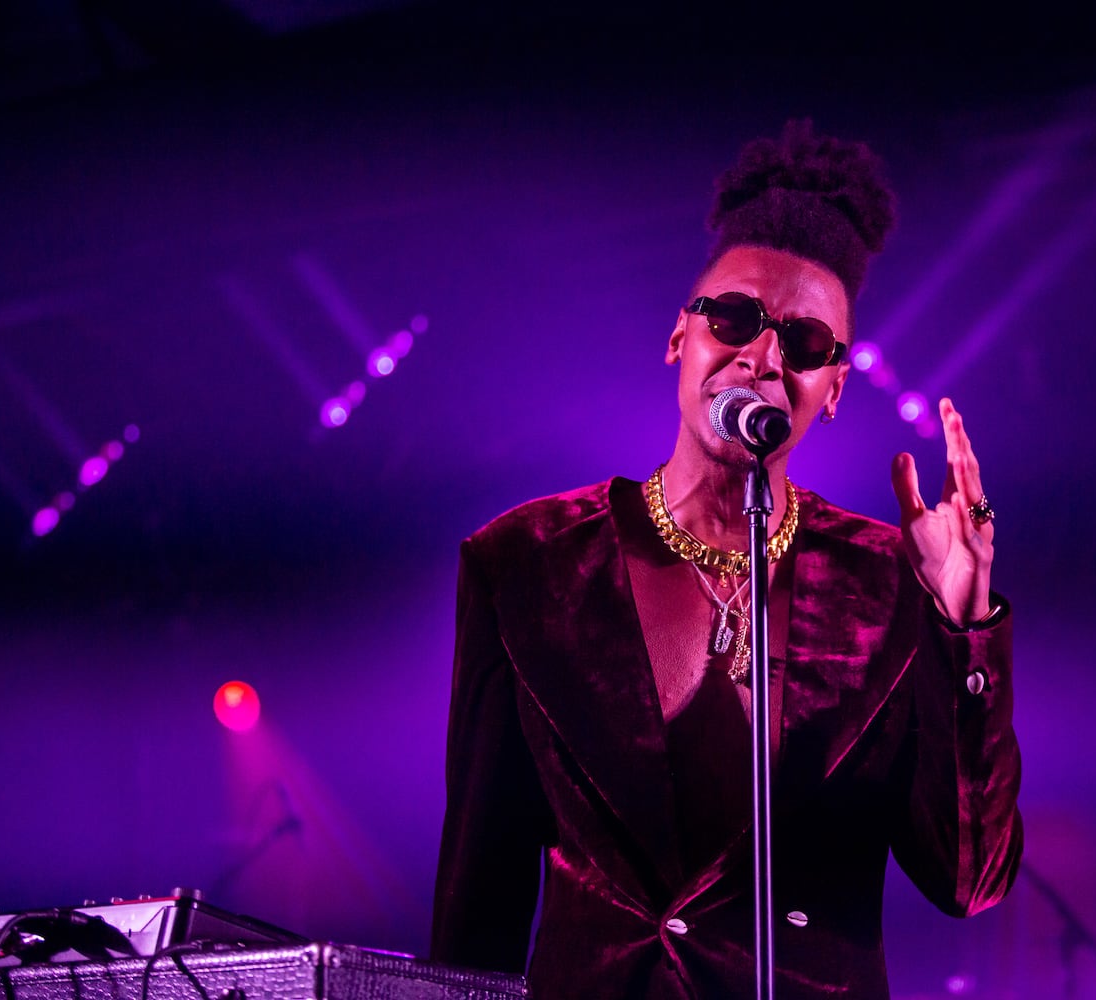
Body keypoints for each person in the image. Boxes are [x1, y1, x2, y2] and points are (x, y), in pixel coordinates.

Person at [431, 121, 1022, 999]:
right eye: (735, 319)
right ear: (682, 336)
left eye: (806, 343)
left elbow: (967, 880)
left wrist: (965, 630)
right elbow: (478, 895)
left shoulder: (889, 582)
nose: (763, 357)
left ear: (833, 390)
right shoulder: (527, 562)